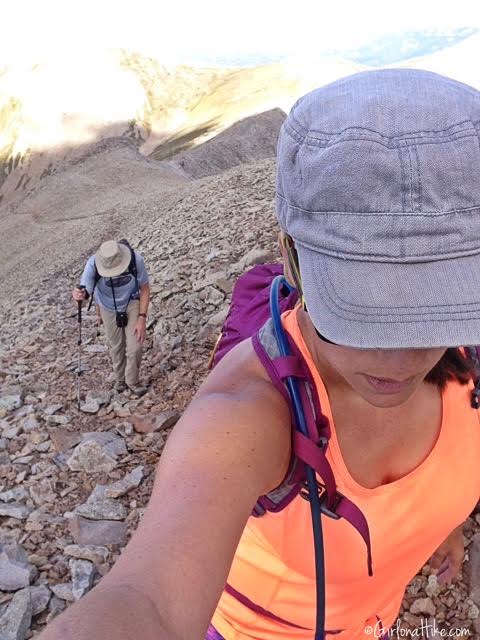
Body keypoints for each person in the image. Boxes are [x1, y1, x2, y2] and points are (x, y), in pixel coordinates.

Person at [43, 68, 480, 640]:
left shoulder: (465, 359)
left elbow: (423, 490)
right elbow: (146, 599)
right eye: (362, 309)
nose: (400, 361)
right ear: (291, 258)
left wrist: (440, 522)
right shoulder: (244, 415)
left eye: (435, 306)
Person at [72, 239, 150, 397]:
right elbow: (85, 292)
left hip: (131, 301)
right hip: (107, 307)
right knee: (116, 346)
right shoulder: (93, 264)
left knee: (135, 346)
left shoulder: (136, 259)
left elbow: (145, 289)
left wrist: (142, 318)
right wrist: (79, 296)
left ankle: (132, 381)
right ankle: (120, 380)